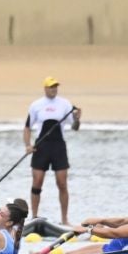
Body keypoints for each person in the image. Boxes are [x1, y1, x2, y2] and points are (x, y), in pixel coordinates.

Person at [25, 75, 82, 226]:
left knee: (62, 183)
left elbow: (75, 128)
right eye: (51, 87)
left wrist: (77, 119)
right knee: (37, 182)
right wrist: (28, 145)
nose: (54, 89)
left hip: (58, 146)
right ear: (45, 88)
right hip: (41, 146)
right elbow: (27, 127)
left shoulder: (64, 104)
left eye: (55, 86)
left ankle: (64, 219)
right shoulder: (36, 105)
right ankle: (35, 216)